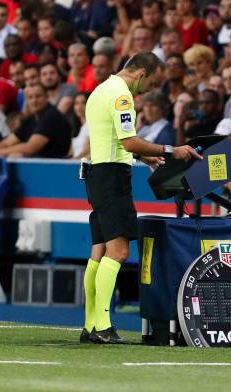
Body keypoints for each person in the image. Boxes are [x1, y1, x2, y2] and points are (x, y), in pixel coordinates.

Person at [82, 52, 201, 344]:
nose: (149, 90)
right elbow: (127, 139)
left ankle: (90, 324)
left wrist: (143, 156)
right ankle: (103, 326)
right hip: (112, 180)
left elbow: (112, 140)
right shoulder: (122, 97)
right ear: (141, 74)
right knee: (119, 252)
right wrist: (170, 150)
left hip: (97, 175)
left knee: (98, 254)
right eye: (152, 82)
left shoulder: (100, 90)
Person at [0, 84, 71, 158]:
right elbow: (8, 142)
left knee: (16, 156)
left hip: (57, 165)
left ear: (47, 97)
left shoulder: (52, 116)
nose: (34, 101)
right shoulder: (31, 118)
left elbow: (31, 148)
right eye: (30, 97)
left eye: (38, 96)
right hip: (39, 164)